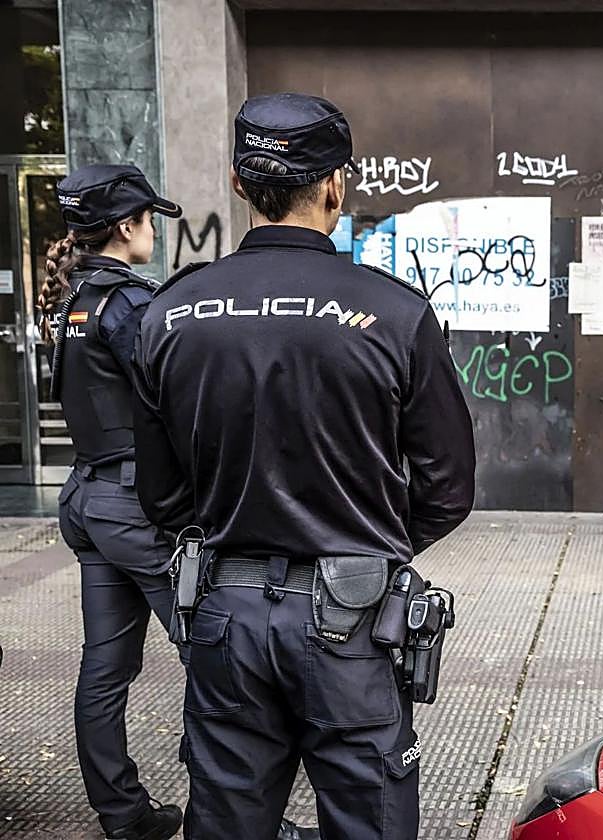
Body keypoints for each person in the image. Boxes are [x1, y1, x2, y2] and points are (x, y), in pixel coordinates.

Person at [132, 93, 476, 839]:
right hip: (352, 622)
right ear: (334, 186)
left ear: (235, 182)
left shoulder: (171, 313)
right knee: (368, 821)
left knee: (227, 820)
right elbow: (449, 488)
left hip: (224, 615)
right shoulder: (394, 312)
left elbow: (159, 496)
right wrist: (368, 549)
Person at [45, 164, 318, 840]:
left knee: (105, 670)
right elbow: (179, 398)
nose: (154, 233)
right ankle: (243, 822)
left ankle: (123, 815)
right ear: (126, 226)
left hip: (89, 501)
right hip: (138, 509)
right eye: (149, 221)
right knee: (218, 661)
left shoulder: (78, 300)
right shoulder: (131, 304)